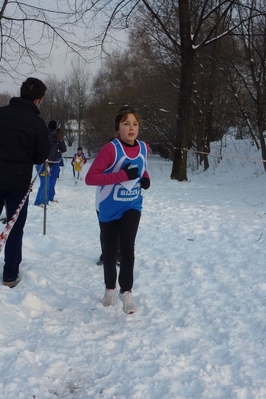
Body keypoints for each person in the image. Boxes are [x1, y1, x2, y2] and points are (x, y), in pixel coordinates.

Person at [85, 106, 150, 314]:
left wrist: (145, 177)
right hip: (108, 207)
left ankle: (127, 292)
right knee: (110, 251)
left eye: (135, 124)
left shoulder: (144, 147)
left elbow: (142, 166)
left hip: (132, 204)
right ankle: (110, 288)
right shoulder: (110, 150)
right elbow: (91, 178)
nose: (131, 128)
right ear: (117, 128)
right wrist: (121, 176)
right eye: (126, 124)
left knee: (128, 246)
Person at [0, 77, 50, 287]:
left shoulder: (0, 113)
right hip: (18, 184)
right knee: (14, 227)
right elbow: (40, 157)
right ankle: (10, 274)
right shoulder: (38, 124)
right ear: (38, 100)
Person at [48, 127, 66, 202]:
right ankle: (50, 196)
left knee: (47, 180)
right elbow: (64, 149)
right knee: (52, 180)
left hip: (48, 161)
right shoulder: (58, 141)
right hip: (55, 161)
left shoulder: (49, 138)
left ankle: (47, 196)